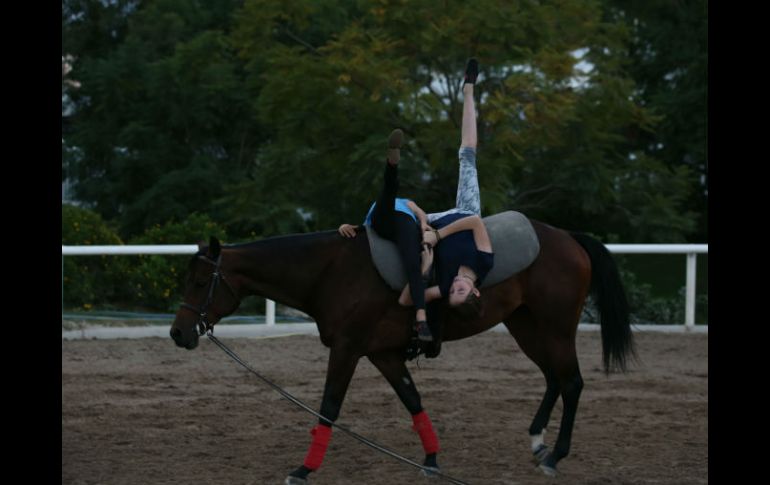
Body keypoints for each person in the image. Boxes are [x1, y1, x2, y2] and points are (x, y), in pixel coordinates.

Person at [398, 58, 494, 325]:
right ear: (475, 291)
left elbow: (406, 300)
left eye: (451, 293)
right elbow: (474, 222)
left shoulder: (444, 284)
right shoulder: (484, 263)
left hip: (435, 222)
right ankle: (469, 90)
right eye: (460, 291)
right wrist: (438, 237)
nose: (454, 287)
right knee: (467, 153)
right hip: (464, 213)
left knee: (399, 207)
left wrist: (424, 269)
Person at [338, 129, 436, 342]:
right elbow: (364, 228)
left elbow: (421, 213)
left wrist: (423, 226)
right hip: (381, 221)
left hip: (405, 223)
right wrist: (344, 226)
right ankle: (392, 162)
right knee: (389, 189)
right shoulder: (379, 204)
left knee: (413, 262)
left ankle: (421, 319)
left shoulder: (407, 203)